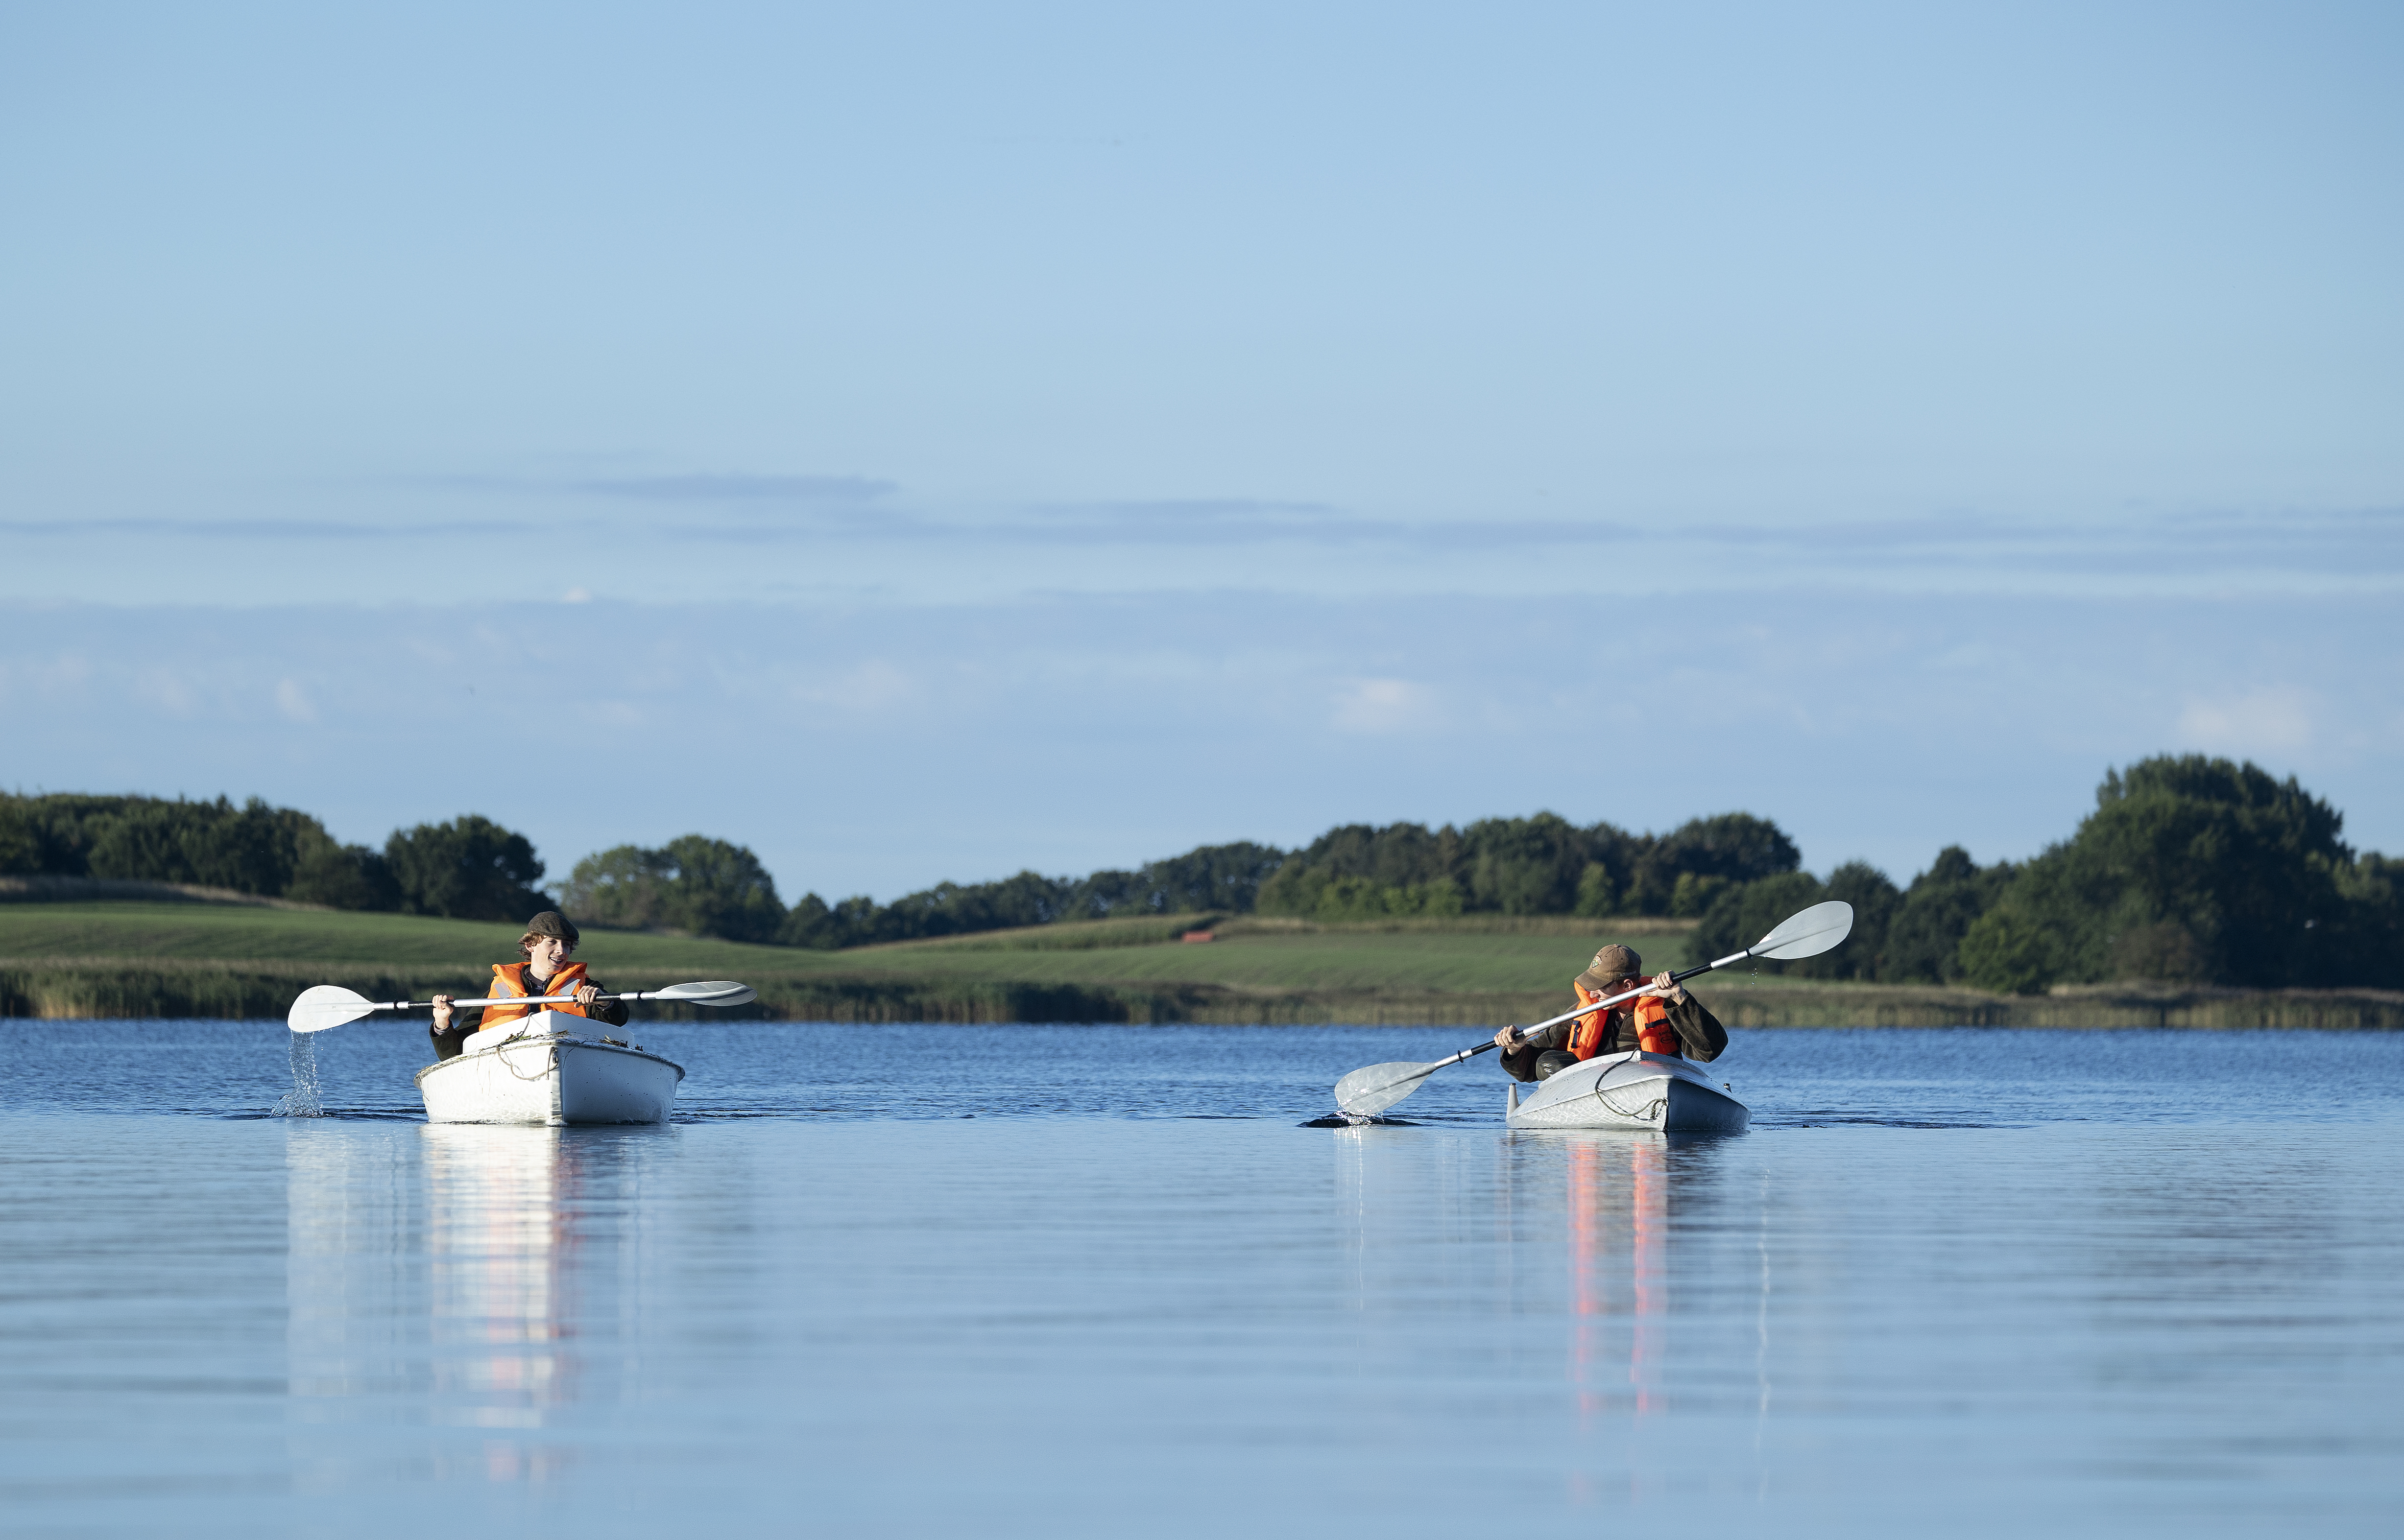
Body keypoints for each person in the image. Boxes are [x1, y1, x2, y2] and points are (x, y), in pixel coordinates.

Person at [1494, 943, 1727, 1082]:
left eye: (1601, 987)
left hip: (1653, 1089)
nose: (1592, 994)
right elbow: (1531, 1069)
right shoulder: (1580, 1015)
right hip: (1592, 1095)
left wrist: (1680, 998)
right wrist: (1515, 1050)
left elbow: (1709, 1051)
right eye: (1591, 985)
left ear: (1627, 986)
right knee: (1549, 1061)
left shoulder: (1667, 1010)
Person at [429, 910, 629, 1060]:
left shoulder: (585, 987)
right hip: (504, 1067)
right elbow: (455, 1054)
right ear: (530, 945)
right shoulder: (498, 991)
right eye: (553, 942)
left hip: (571, 1062)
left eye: (567, 945)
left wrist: (605, 1002)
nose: (562, 951)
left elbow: (618, 1018)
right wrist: (442, 1024)